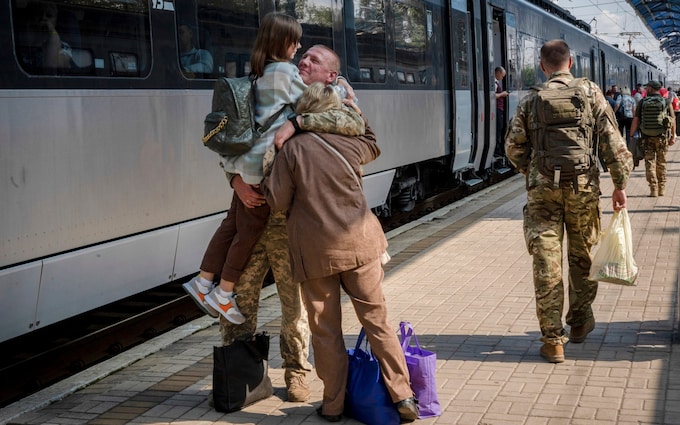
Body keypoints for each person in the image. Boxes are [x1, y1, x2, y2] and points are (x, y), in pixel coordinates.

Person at [186, 14, 364, 401]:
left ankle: (297, 372)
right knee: (239, 302)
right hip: (250, 211)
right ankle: (240, 376)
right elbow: (235, 141)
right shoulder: (259, 84)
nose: (302, 60)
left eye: (312, 61)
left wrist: (298, 123)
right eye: (300, 56)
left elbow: (355, 124)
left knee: (294, 306)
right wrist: (234, 180)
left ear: (329, 76)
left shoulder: (327, 103)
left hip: (288, 221)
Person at [262, 82, 419, 423]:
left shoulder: (292, 150)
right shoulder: (352, 142)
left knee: (326, 331)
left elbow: (277, 202)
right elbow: (372, 142)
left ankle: (333, 405)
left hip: (316, 253)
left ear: (301, 112)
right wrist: (355, 109)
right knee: (377, 322)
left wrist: (270, 167)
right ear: (334, 113)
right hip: (360, 245)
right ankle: (403, 396)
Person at [505, 39, 632, 363]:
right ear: (570, 63)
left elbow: (513, 147)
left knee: (547, 261)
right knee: (581, 257)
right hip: (583, 189)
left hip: (543, 190)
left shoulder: (532, 99)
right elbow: (612, 143)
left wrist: (532, 172)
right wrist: (619, 185)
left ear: (543, 66)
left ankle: (552, 340)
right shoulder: (590, 93)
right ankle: (578, 323)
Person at [629, 80, 676, 197]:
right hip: (662, 137)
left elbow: (636, 120)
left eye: (647, 88)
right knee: (662, 162)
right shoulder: (666, 102)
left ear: (650, 88)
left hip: (647, 137)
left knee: (649, 162)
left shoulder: (642, 102)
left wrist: (631, 135)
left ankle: (653, 189)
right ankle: (662, 188)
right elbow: (673, 119)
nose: (645, 90)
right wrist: (673, 137)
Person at [19, 1, 74, 72]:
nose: (43, 18)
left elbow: (52, 68)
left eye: (49, 15)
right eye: (38, 14)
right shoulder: (22, 42)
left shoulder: (64, 46)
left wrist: (52, 32)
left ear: (55, 21)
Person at [494, 66, 509, 157]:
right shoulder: (494, 83)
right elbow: (493, 95)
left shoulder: (496, 83)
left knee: (500, 129)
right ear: (498, 72)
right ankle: (497, 150)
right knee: (498, 130)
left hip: (499, 109)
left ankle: (499, 149)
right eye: (502, 76)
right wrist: (502, 94)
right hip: (497, 109)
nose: (502, 78)